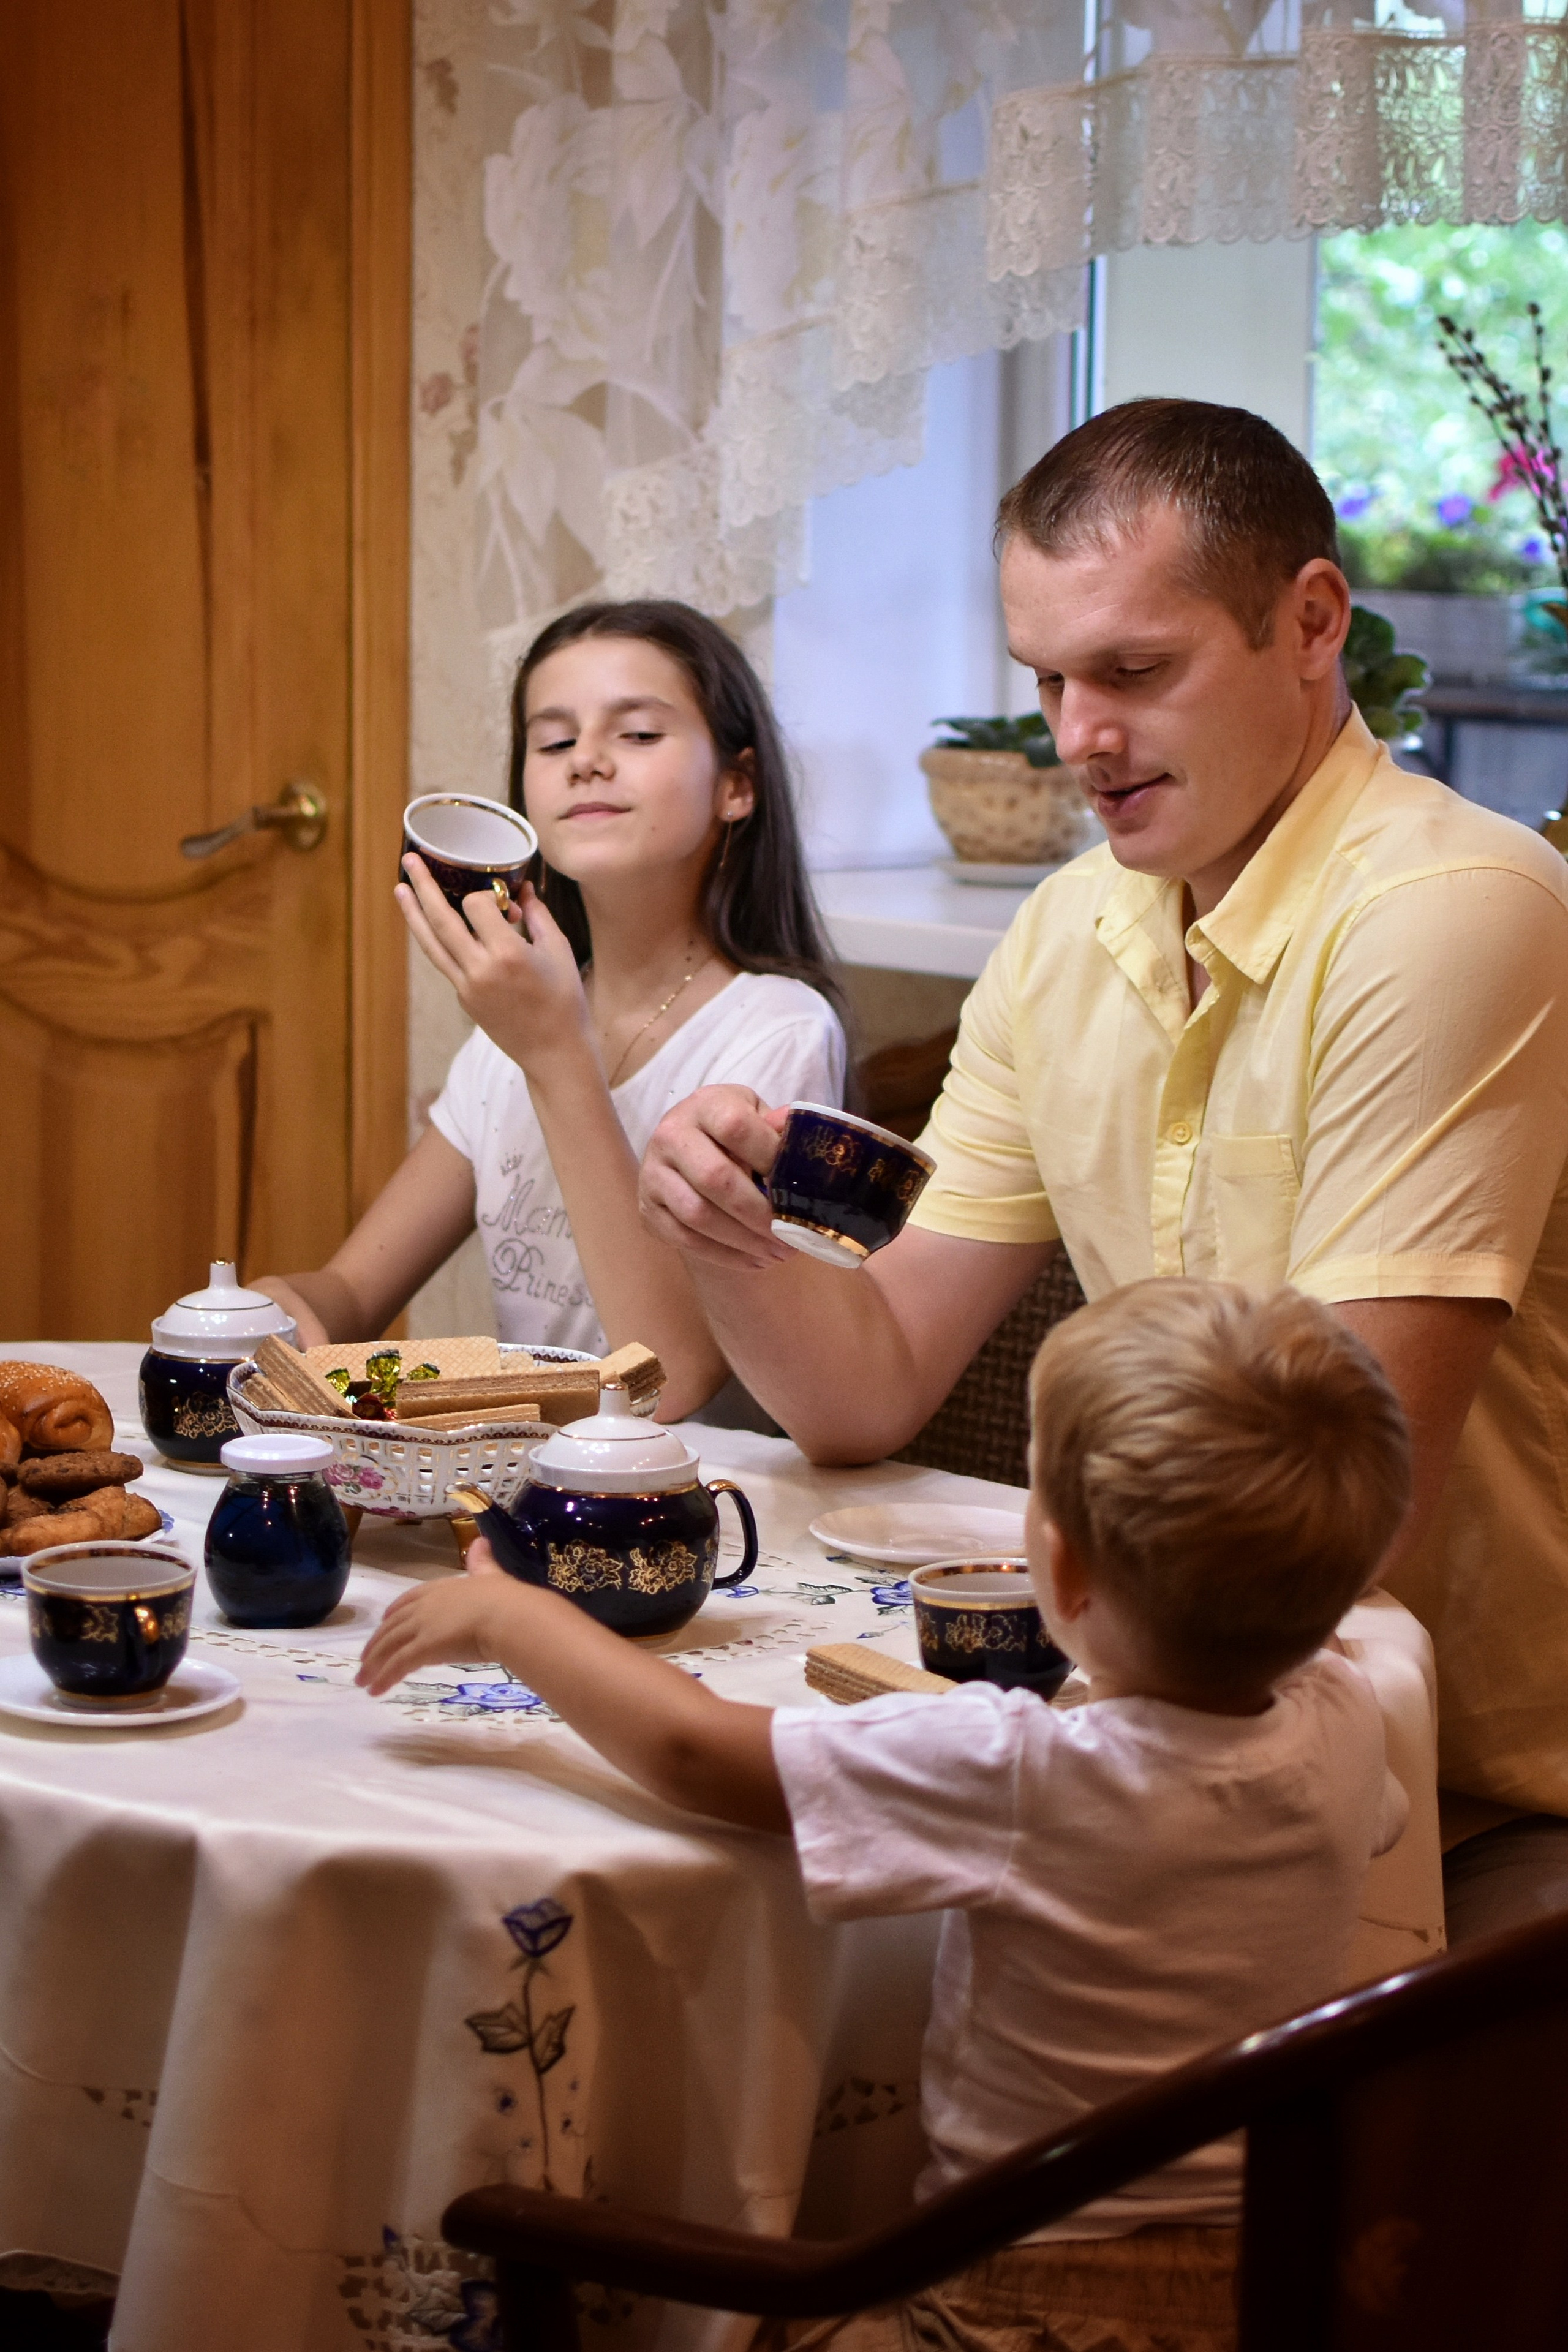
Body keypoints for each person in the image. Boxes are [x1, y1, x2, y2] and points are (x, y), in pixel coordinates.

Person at [636, 398, 1568, 1937]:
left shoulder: (1454, 907)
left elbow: (1362, 1518)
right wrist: (729, 1236)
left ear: (1309, 622)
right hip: (1180, 1727)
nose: (1076, 738)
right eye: (1047, 681)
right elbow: (869, 1383)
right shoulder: (1073, 928)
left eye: (1134, 672)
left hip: (1474, 1798)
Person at [358, 1279, 1412, 2352]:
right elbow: (1358, 1789)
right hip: (1277, 2284)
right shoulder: (1346, 1721)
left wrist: (513, 1617)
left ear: (1060, 1567)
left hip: (1010, 2310)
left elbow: (693, 1750)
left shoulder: (1021, 1772)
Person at [254, 600, 845, 1420]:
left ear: (736, 786)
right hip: (518, 1490)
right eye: (555, 741)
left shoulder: (776, 1030)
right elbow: (352, 1288)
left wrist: (554, 1051)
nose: (588, 763)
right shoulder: (513, 1037)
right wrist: (272, 1310)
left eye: (637, 735)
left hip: (702, 1506)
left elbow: (664, 1381)